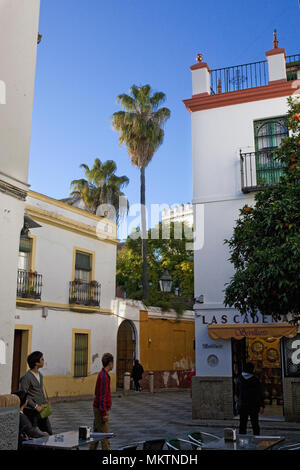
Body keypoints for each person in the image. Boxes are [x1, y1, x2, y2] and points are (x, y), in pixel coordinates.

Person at [19, 351, 53, 435]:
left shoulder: (40, 375)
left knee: (49, 433)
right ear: (36, 363)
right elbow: (23, 395)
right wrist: (35, 406)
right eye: (42, 359)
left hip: (42, 410)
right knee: (34, 435)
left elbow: (40, 391)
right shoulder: (27, 377)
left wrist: (45, 401)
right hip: (31, 412)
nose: (43, 360)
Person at [90, 353, 113, 450]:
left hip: (97, 407)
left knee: (95, 436)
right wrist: (104, 413)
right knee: (105, 437)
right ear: (110, 363)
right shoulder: (104, 376)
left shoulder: (103, 374)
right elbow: (102, 396)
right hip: (100, 409)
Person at [236, 362, 264, 436]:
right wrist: (261, 405)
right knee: (255, 424)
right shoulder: (255, 380)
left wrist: (237, 403)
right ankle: (256, 439)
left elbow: (237, 393)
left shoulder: (239, 379)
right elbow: (259, 394)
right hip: (253, 406)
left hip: (242, 405)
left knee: (242, 424)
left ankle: (241, 440)